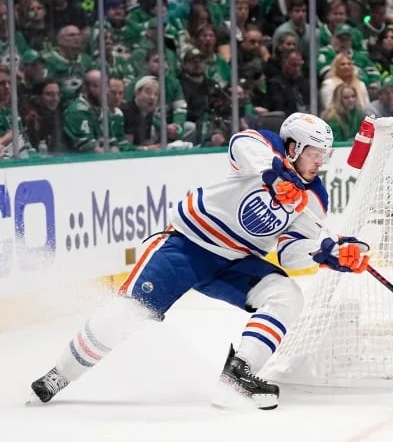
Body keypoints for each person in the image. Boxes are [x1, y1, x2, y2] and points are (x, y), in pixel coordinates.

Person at [29, 113, 371, 410]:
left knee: (286, 295)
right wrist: (275, 173)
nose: (319, 163)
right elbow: (240, 144)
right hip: (186, 248)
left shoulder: (314, 197)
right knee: (128, 313)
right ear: (293, 147)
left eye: (324, 155)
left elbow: (289, 251)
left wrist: (326, 252)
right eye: (314, 154)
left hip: (236, 262)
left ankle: (238, 374)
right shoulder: (266, 146)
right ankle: (59, 375)